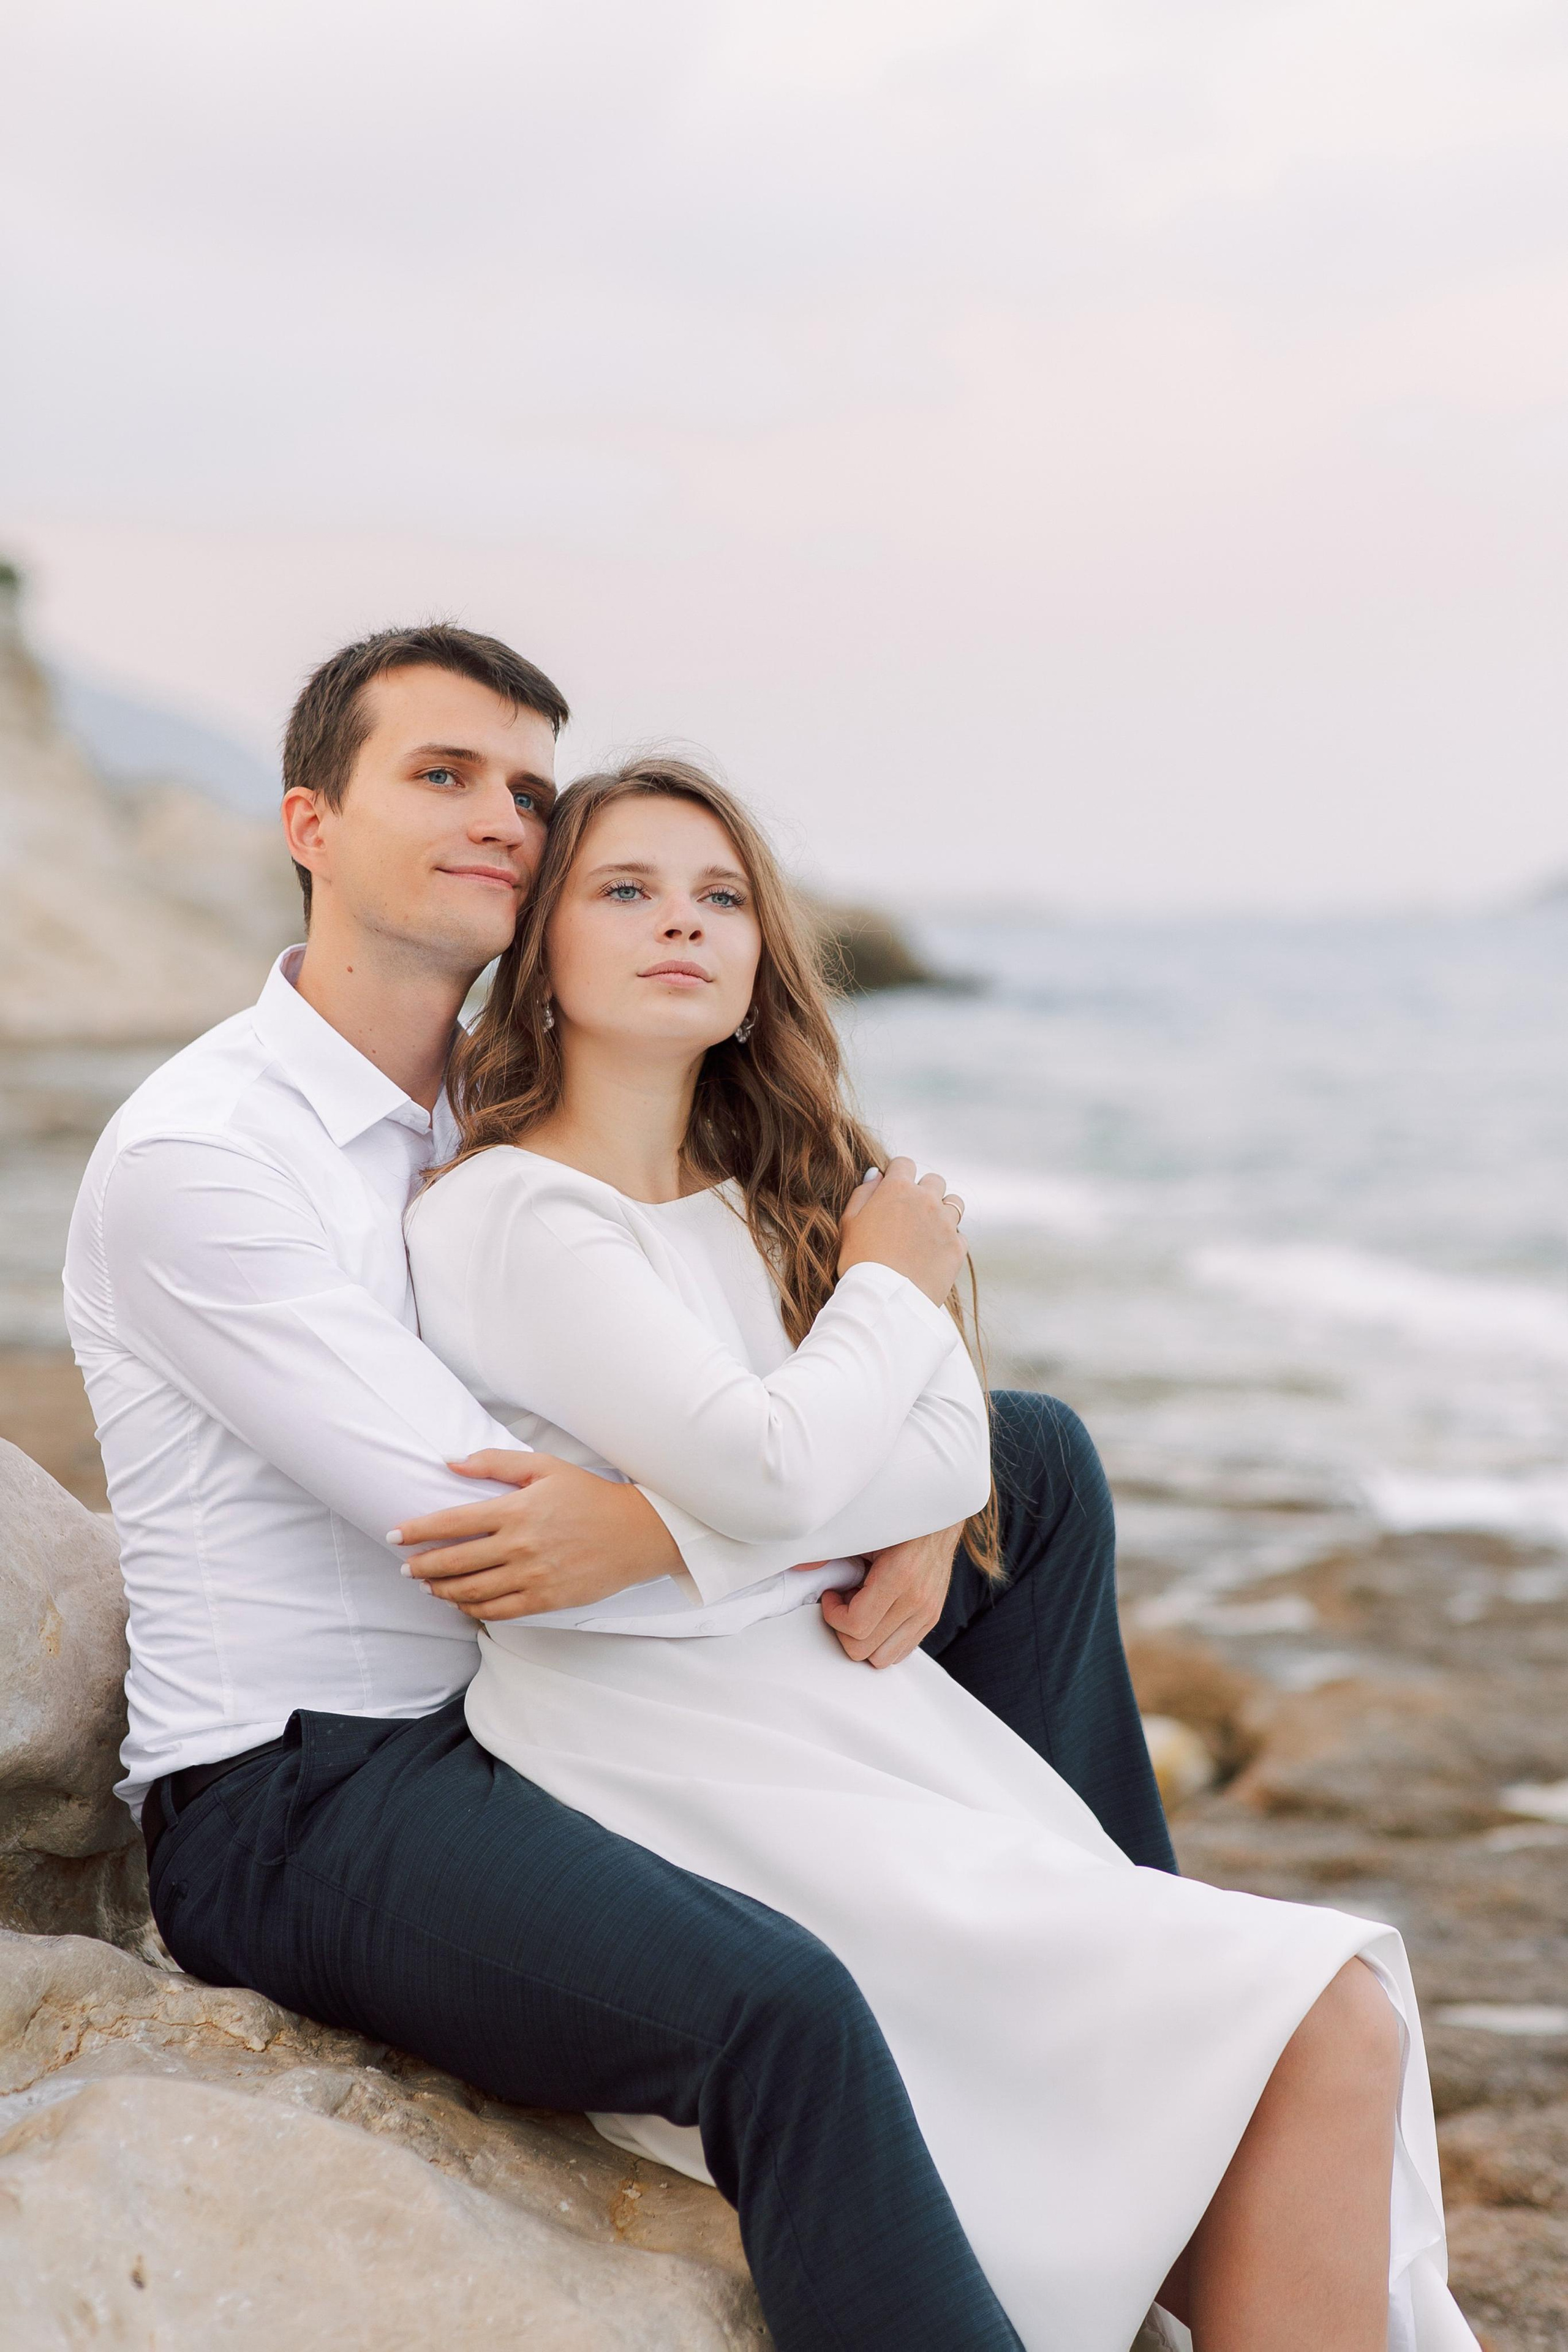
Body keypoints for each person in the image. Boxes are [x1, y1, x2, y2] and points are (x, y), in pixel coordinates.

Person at [64, 622, 1174, 2352]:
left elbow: (697, 1456)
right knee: (782, 2011)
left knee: (1033, 1465)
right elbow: (497, 1532)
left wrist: (899, 1492)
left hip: (557, 1705)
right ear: (310, 826)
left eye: (524, 784)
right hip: (315, 1786)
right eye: (438, 776)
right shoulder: (210, 1158)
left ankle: (1132, 2005)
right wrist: (785, 1485)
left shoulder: (496, 1119)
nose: (500, 815)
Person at [403, 755, 1480, 2352]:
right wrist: (894, 1286)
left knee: (1304, 2040)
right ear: (541, 945)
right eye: (625, 890)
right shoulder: (514, 1215)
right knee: (1307, 2024)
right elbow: (777, 1461)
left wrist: (664, 1523)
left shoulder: (760, 1198)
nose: (681, 924)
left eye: (719, 897)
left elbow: (940, 1447)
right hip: (686, 1763)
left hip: (834, 1720)